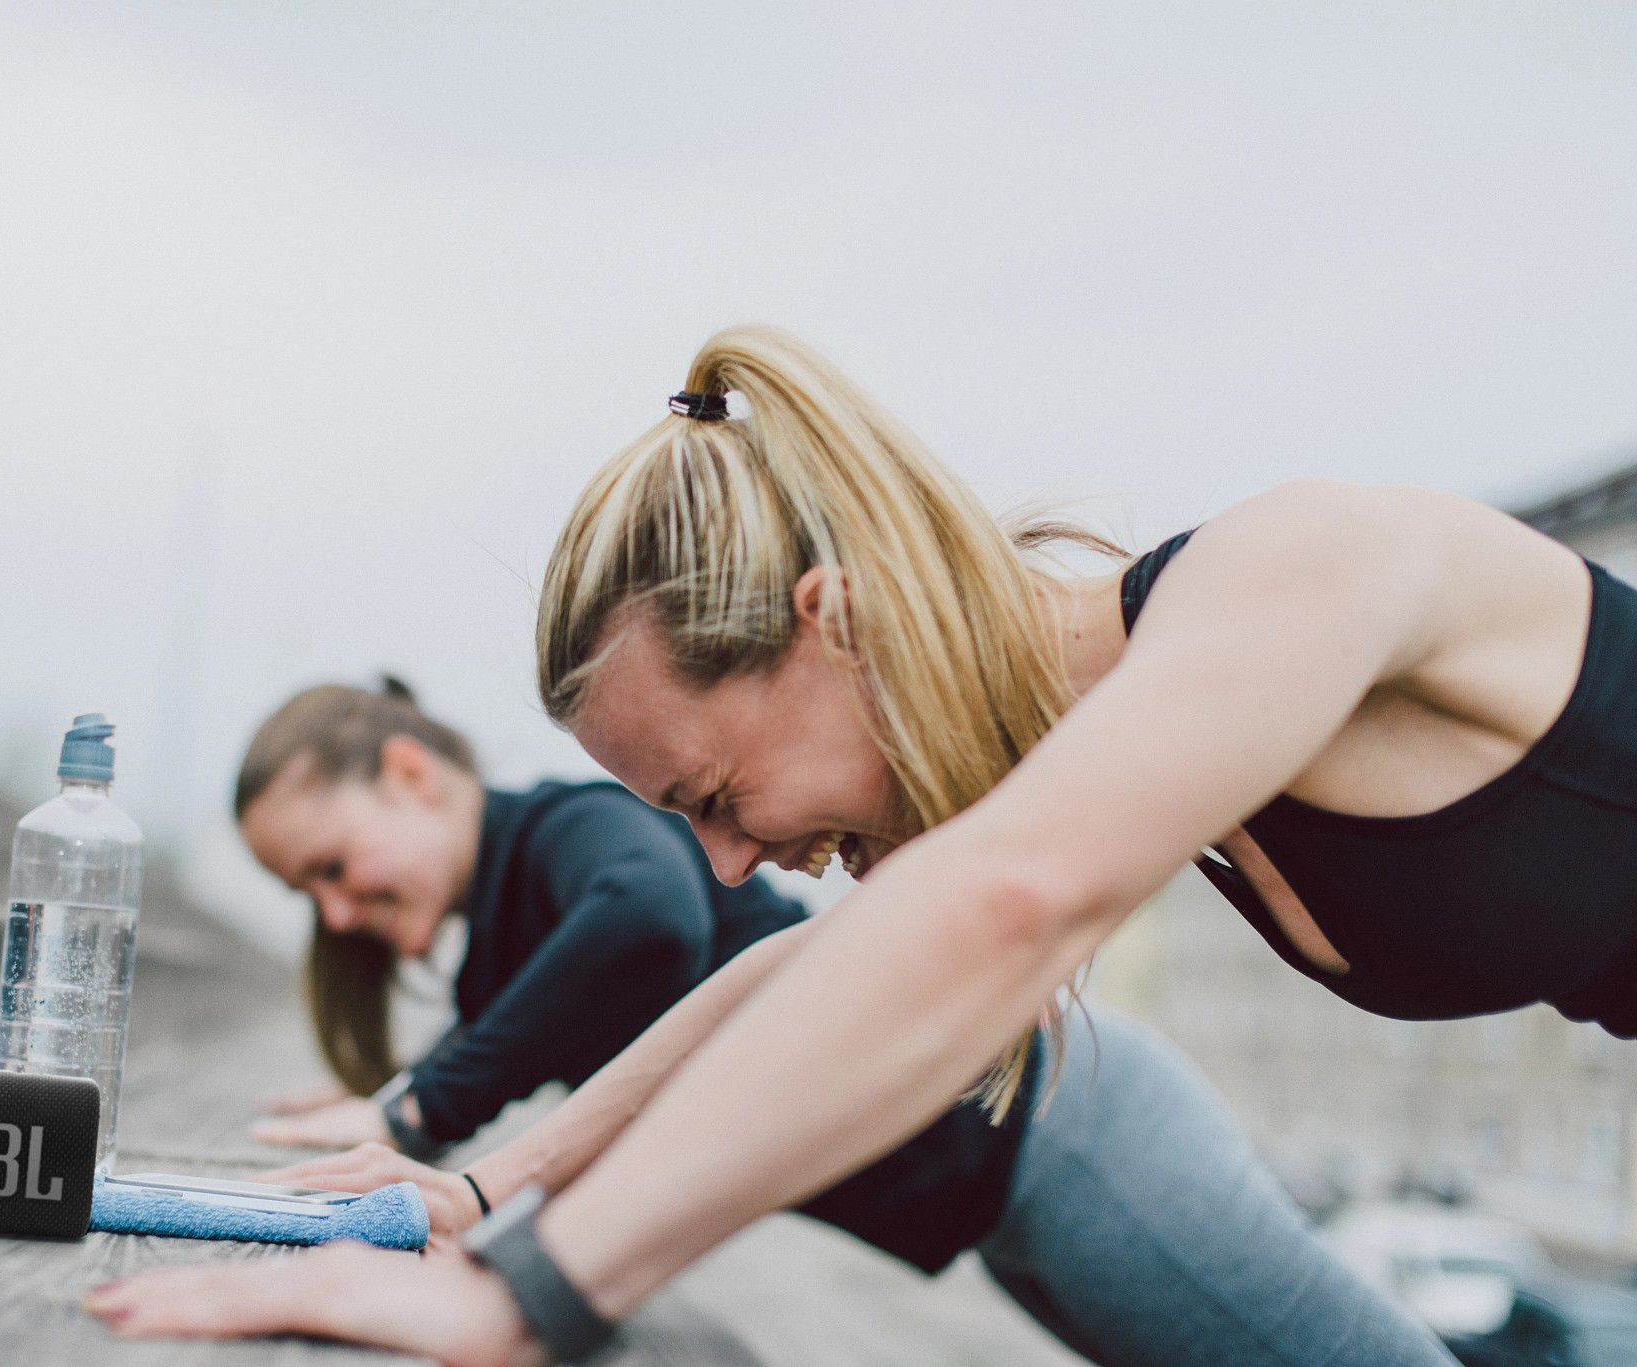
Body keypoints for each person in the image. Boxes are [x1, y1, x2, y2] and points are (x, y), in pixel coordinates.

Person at [88, 323, 1633, 1362]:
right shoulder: (1106, 734)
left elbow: (1002, 906)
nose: (727, 866)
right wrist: (491, 1195)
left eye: (708, 797)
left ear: (831, 626)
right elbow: (814, 976)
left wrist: (529, 1304)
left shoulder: (1304, 568)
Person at [92, 677, 1451, 1364]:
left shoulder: (566, 836)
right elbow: (689, 1057)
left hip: (1071, 1142)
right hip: (1004, 1216)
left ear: (409, 775)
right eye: (302, 894)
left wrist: (422, 1112)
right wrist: (450, 1178)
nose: (332, 912)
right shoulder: (508, 941)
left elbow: (653, 925)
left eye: (333, 865)